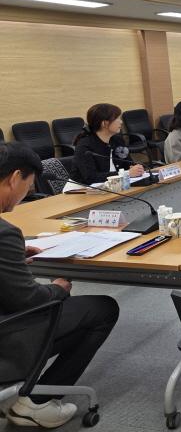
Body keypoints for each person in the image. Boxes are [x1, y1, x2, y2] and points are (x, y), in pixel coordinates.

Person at [0, 143, 119, 428]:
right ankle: (37, 403)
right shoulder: (5, 233)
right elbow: (28, 300)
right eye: (29, 186)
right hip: (6, 331)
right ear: (15, 178)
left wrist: (12, 258)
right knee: (102, 309)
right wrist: (57, 289)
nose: (27, 193)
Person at [70, 103, 144, 186]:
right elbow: (90, 177)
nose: (121, 122)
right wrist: (126, 173)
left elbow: (128, 164)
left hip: (112, 185)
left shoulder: (117, 140)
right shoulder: (84, 145)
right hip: (82, 189)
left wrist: (136, 169)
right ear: (104, 123)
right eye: (117, 118)